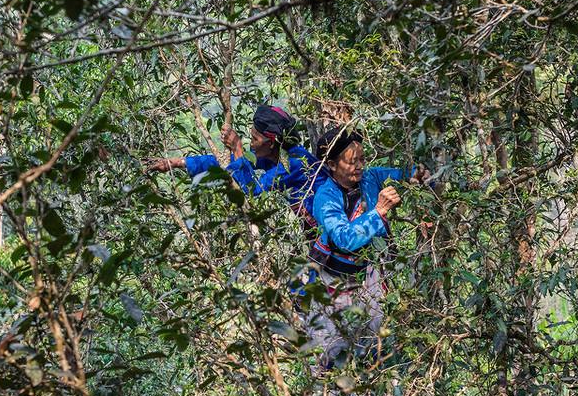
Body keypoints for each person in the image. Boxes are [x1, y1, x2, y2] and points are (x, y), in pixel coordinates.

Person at [303, 126, 425, 374]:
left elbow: (402, 174)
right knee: (329, 354)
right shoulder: (326, 197)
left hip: (366, 277)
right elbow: (345, 238)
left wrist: (417, 175)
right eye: (351, 162)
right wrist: (379, 211)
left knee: (375, 346)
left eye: (362, 159)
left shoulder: (370, 178)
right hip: (332, 283)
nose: (359, 166)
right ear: (332, 165)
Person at [146, 104, 325, 231]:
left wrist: (238, 148)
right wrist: (178, 162)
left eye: (255, 140)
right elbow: (229, 162)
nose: (252, 145)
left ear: (271, 142)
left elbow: (250, 191)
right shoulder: (275, 154)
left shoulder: (293, 162)